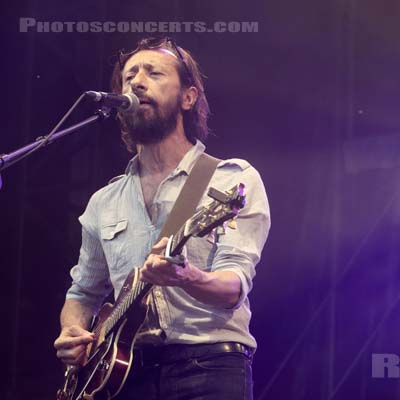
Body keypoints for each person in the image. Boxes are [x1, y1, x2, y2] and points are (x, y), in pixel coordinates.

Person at [53, 37, 270, 400]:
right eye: (128, 77)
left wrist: (188, 277)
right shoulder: (103, 202)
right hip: (123, 374)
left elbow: (234, 287)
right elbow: (83, 293)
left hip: (208, 364)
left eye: (153, 73)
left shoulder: (231, 180)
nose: (136, 83)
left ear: (189, 97)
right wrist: (72, 331)